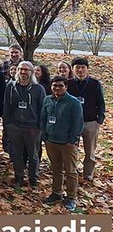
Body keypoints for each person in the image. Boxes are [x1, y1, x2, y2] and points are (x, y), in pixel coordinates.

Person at [41, 76, 84, 212]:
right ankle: (56, 193)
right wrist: (45, 136)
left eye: (60, 86)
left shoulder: (73, 102)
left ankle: (71, 197)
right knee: (56, 169)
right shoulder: (47, 100)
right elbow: (43, 118)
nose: (57, 88)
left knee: (70, 171)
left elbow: (78, 123)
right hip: (51, 141)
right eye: (54, 86)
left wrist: (72, 140)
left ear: (66, 87)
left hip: (67, 143)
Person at [2, 61, 45, 188]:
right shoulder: (11, 86)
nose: (23, 72)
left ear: (31, 72)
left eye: (26, 70)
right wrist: (7, 125)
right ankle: (19, 177)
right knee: (16, 153)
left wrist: (39, 127)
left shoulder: (38, 89)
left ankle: (33, 178)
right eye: (21, 69)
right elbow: (7, 106)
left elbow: (42, 109)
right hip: (14, 126)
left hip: (32, 127)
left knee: (33, 154)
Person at [66, 57, 106, 182]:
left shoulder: (95, 83)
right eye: (77, 68)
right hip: (73, 122)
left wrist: (99, 120)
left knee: (90, 151)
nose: (80, 70)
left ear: (87, 69)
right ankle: (71, 172)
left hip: (91, 121)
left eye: (83, 67)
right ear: (73, 69)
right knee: (71, 149)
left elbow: (101, 102)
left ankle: (88, 175)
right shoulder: (69, 84)